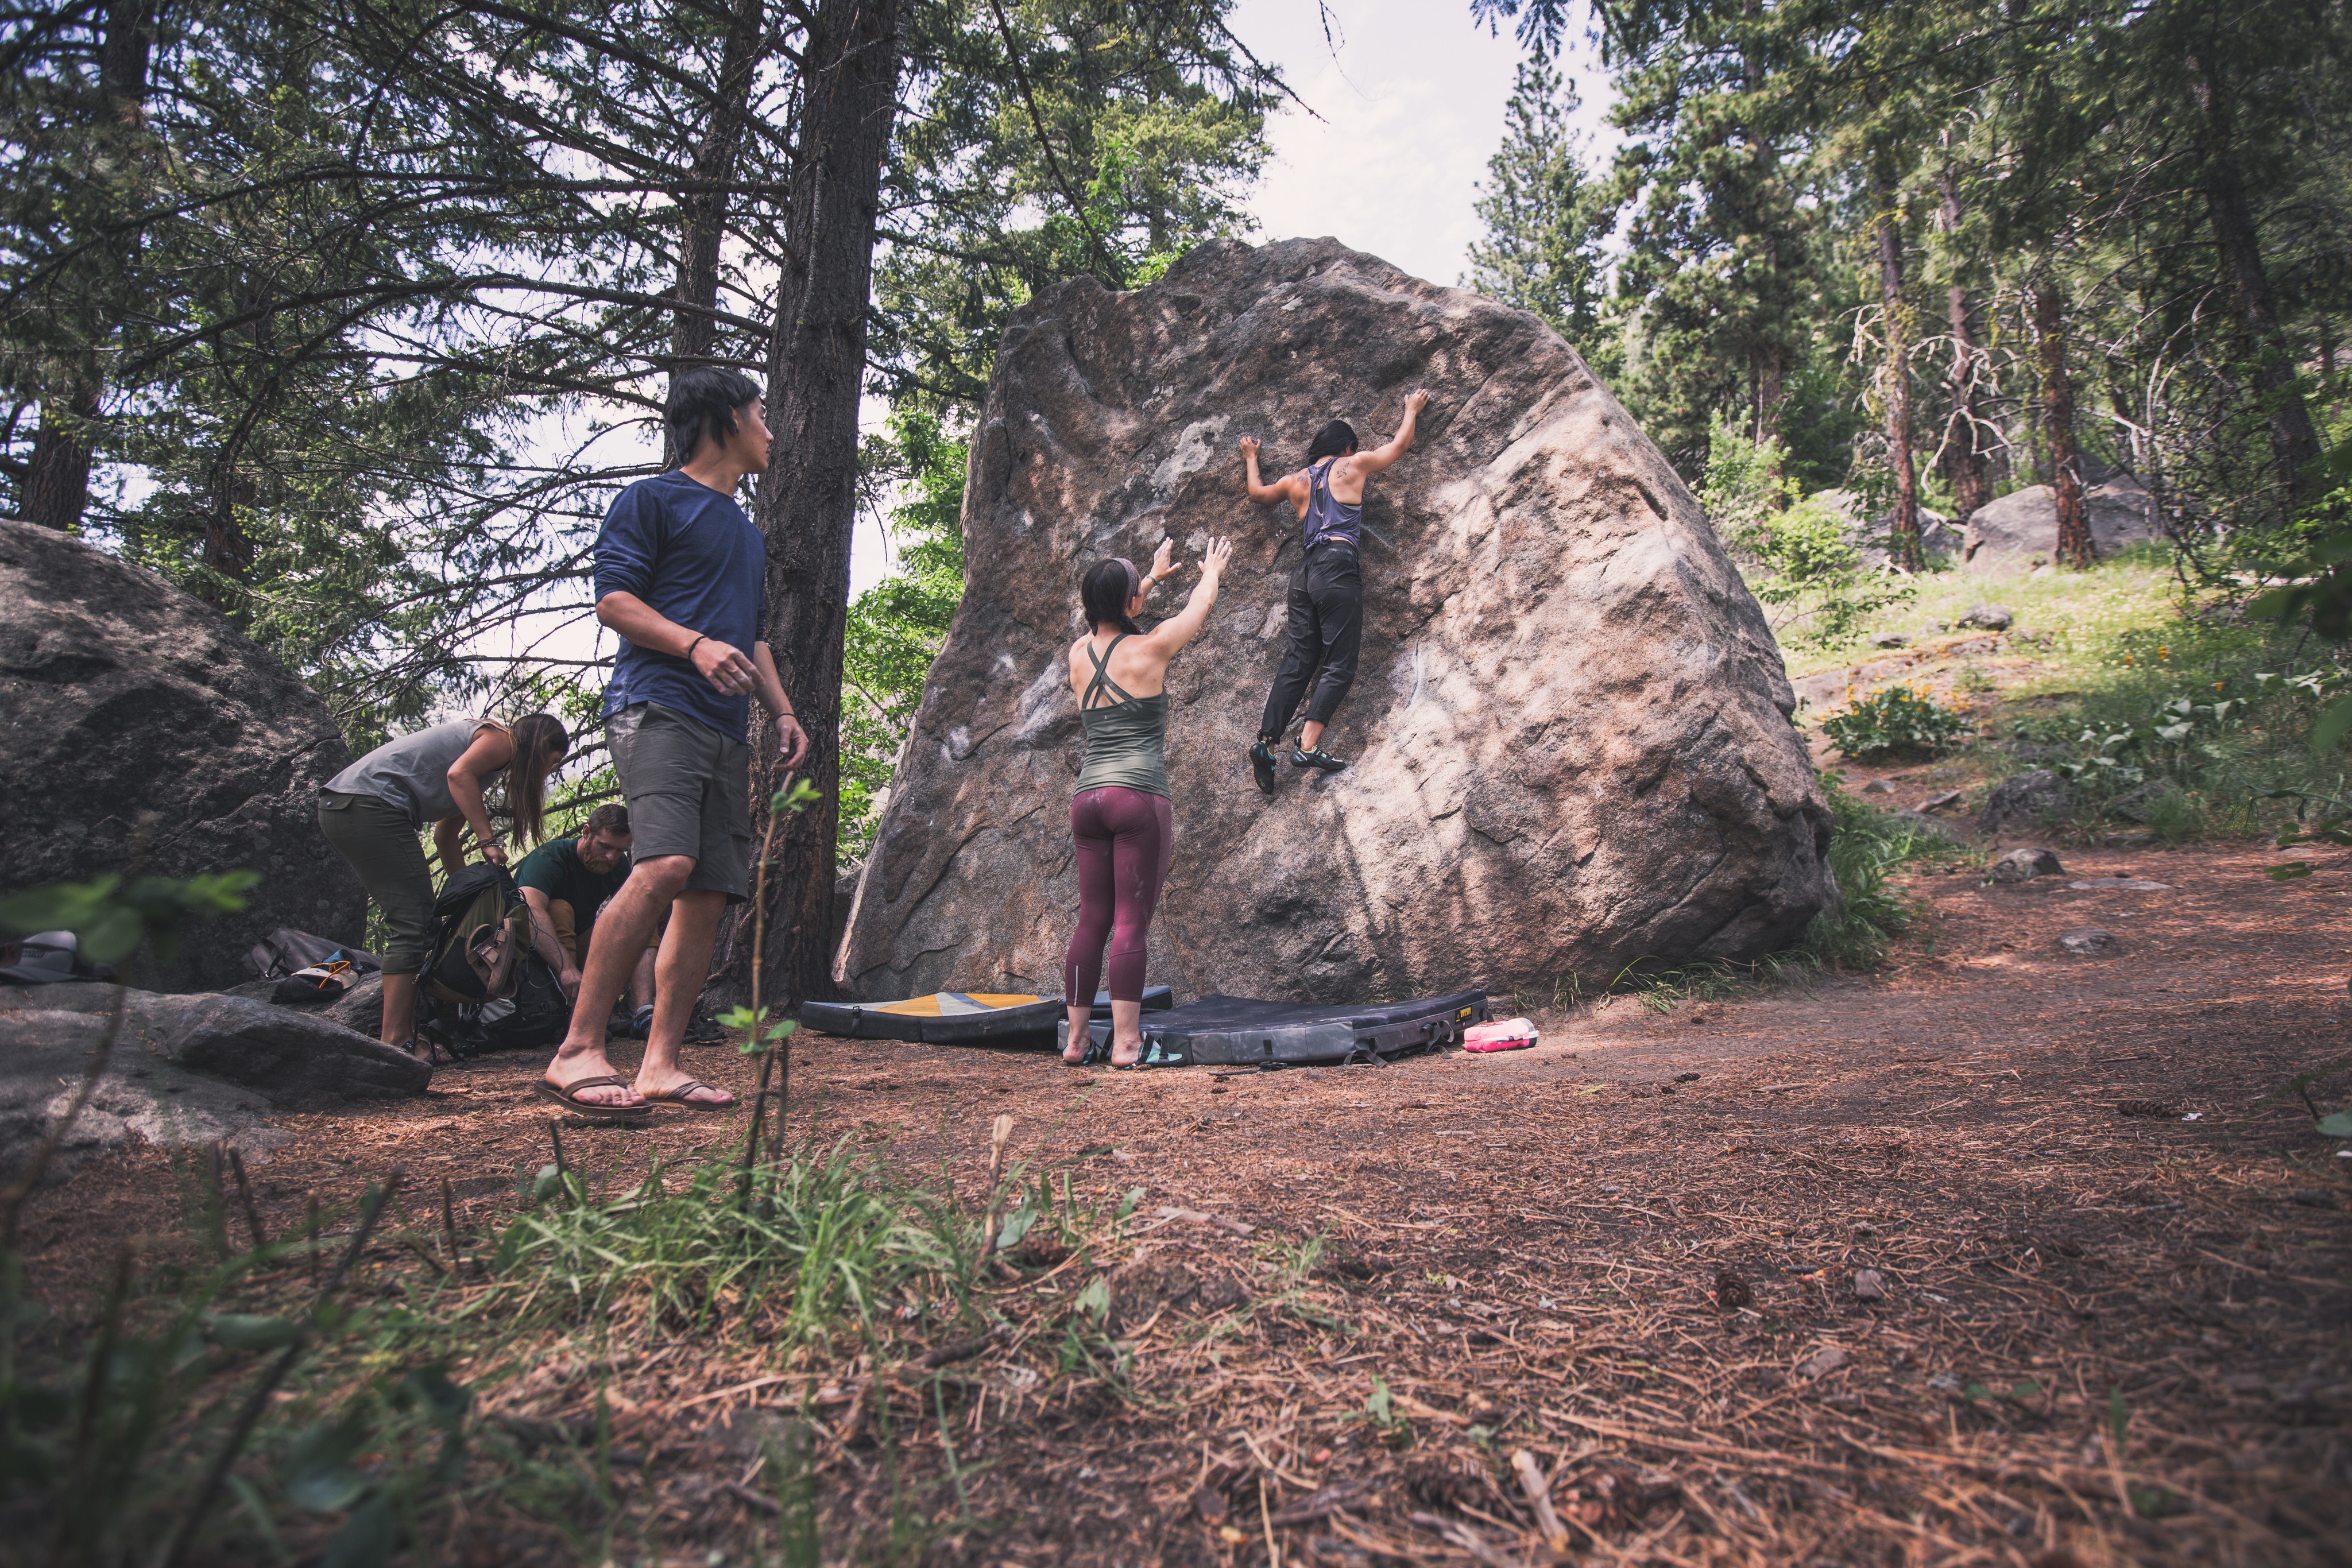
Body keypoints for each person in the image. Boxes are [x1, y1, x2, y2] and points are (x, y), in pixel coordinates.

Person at [539, 366, 811, 1119]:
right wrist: (692, 646)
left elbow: (751, 640)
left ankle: (659, 1063)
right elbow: (615, 602)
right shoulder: (651, 500)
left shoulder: (748, 535)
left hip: (725, 727)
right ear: (726, 417)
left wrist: (782, 712)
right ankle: (579, 1048)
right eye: (761, 413)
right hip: (656, 706)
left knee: (707, 890)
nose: (771, 429)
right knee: (663, 862)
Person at [1061, 533, 1232, 1068]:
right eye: (1137, 590)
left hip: (1088, 798)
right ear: (1131, 602)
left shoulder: (1077, 655)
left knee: (1092, 918)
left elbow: (1113, 619)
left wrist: (1150, 578)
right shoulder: (1153, 646)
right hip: (1138, 798)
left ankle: (1077, 1040)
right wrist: (1211, 570)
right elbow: (1199, 608)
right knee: (1132, 920)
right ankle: (1129, 1043)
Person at [318, 712, 570, 1054]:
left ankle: (405, 1033)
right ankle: (395, 1042)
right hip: (368, 805)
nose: (547, 772)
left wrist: (468, 901)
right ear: (539, 745)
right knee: (413, 923)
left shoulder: (484, 769)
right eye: (551, 763)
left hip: (350, 805)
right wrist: (487, 840)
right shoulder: (502, 740)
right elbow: (457, 774)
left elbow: (445, 837)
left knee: (426, 922)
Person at [1238, 388, 1429, 793]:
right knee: (1341, 660)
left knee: (1300, 659)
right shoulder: (1354, 463)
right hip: (1337, 566)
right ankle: (1307, 745)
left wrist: (1252, 457)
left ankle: (1267, 742)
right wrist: (1410, 409)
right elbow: (1399, 445)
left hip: (1304, 572)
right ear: (1345, 446)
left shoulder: (1296, 481)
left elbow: (1258, 494)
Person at [513, 803, 660, 1032]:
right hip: (535, 954)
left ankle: (643, 1014)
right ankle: (574, 1012)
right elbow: (529, 913)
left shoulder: (616, 864)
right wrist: (566, 968)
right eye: (605, 846)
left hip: (581, 947)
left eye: (620, 850)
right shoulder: (549, 859)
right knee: (561, 910)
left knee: (641, 919)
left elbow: (637, 910)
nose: (611, 856)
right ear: (586, 832)